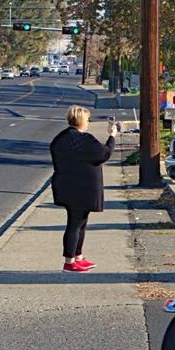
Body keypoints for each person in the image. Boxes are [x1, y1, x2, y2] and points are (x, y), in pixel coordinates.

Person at [50, 106, 117, 273]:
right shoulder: (84, 139)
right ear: (80, 120)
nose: (88, 123)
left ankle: (78, 257)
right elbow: (104, 154)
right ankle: (69, 262)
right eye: (87, 120)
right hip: (81, 188)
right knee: (75, 224)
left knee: (80, 223)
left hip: (65, 185)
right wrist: (112, 136)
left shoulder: (60, 138)